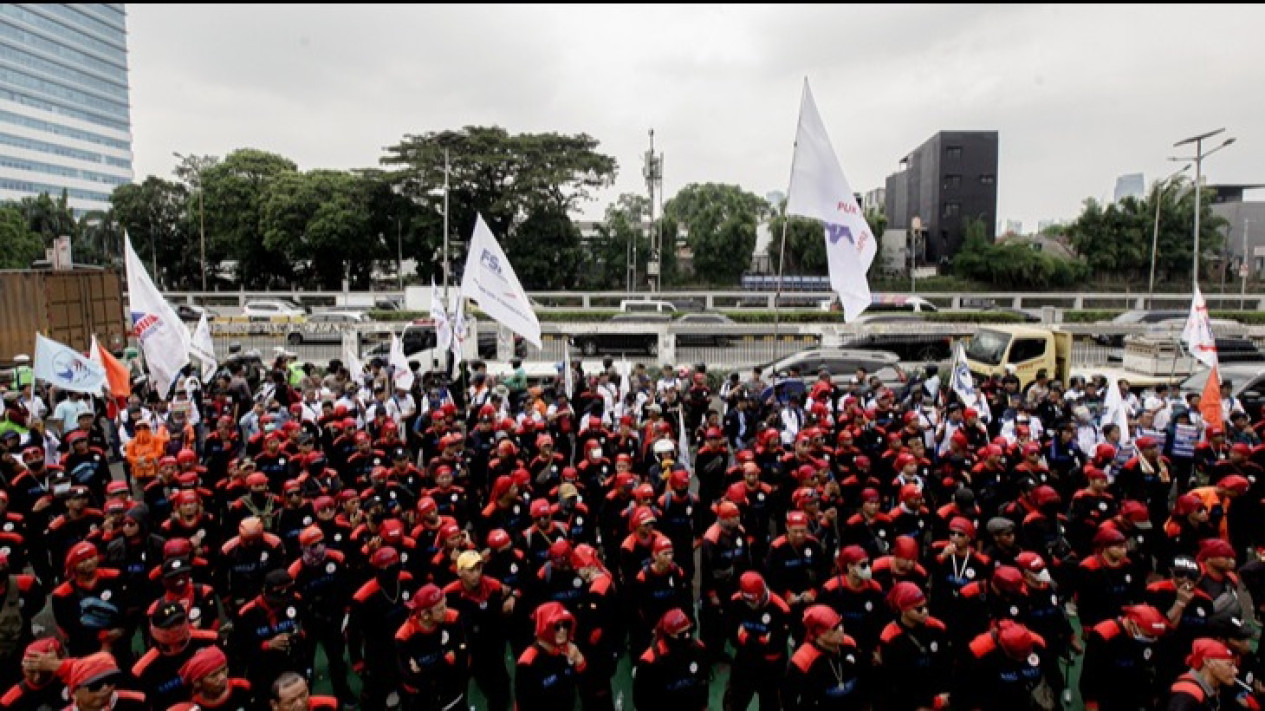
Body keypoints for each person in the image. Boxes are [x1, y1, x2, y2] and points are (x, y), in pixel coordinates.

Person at [783, 605, 864, 711]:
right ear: (819, 634)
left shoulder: (849, 644)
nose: (841, 629)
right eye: (835, 628)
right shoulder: (802, 660)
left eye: (840, 624)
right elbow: (788, 699)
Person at [632, 608, 709, 711]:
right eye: (681, 634)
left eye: (688, 631)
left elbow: (703, 682)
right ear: (667, 635)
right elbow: (641, 699)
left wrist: (703, 706)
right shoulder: (649, 662)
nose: (687, 636)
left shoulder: (699, 649)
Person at [515, 601, 585, 711]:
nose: (563, 630)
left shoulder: (568, 650)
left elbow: (578, 683)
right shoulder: (528, 662)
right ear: (544, 628)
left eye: (565, 625)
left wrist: (580, 663)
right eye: (557, 626)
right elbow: (523, 704)